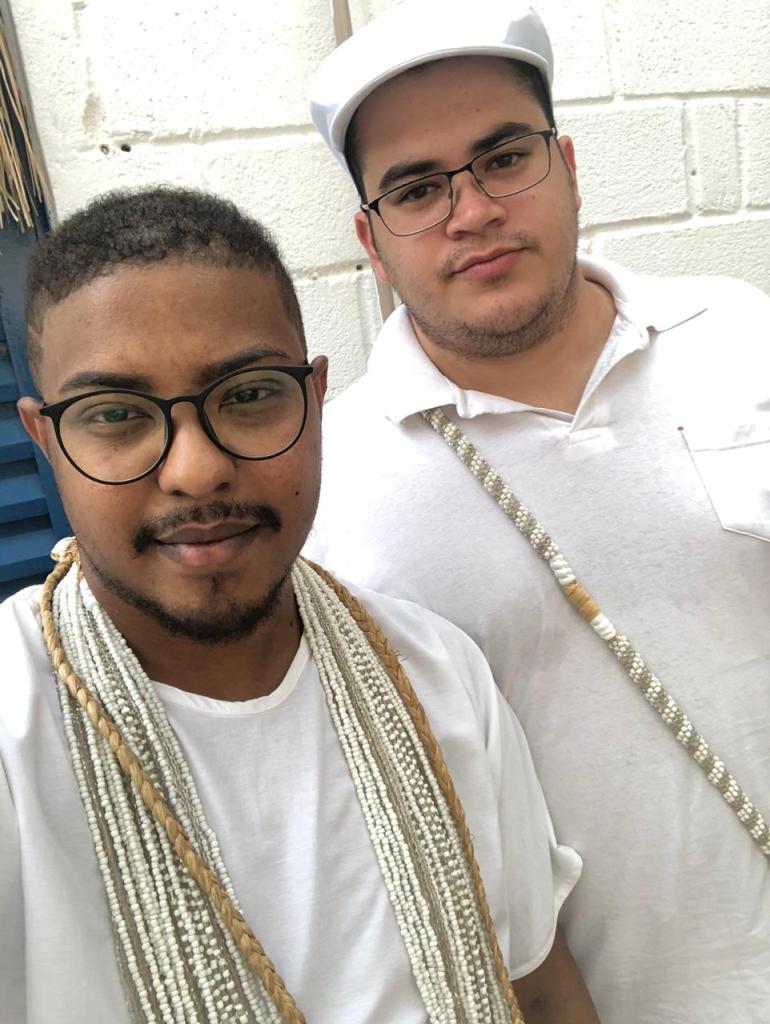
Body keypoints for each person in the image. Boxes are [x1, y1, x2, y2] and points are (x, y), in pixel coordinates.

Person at [0, 186, 600, 1024]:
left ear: (314, 399)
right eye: (115, 415)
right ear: (45, 439)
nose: (195, 471)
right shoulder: (15, 731)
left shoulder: (438, 676)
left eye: (248, 395)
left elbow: (537, 988)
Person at [305, 3, 770, 1022]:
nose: (471, 212)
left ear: (565, 165)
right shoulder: (331, 484)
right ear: (371, 242)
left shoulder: (741, 336)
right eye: (415, 189)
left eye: (503, 158)